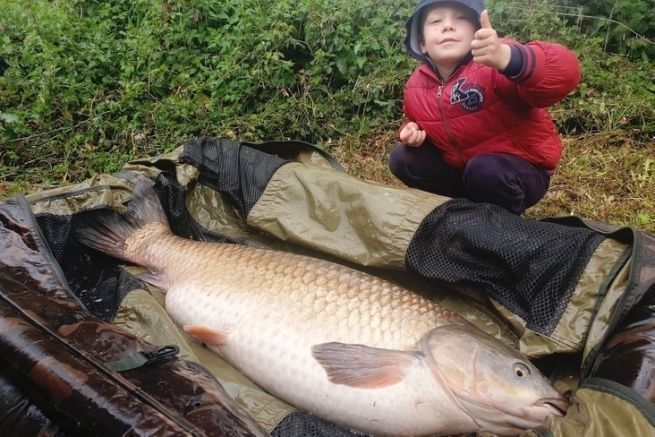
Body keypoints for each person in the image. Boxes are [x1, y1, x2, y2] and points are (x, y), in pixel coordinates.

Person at [389, 0, 581, 214]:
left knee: (486, 170)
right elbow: (414, 119)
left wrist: (509, 58)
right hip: (463, 172)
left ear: (477, 32)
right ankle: (458, 211)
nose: (448, 26)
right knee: (403, 158)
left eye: (460, 18)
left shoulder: (494, 62)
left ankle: (499, 225)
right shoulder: (416, 85)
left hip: (516, 171)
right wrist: (410, 131)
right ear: (422, 42)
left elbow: (566, 73)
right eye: (436, 20)